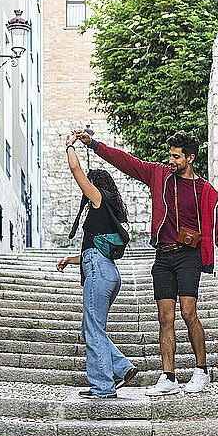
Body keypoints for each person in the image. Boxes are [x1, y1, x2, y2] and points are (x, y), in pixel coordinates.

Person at [75, 130, 218, 395]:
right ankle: (169, 377)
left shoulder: (205, 191)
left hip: (189, 256)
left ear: (190, 158)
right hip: (163, 256)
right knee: (165, 317)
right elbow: (126, 162)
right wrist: (93, 145)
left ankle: (201, 370)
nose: (170, 160)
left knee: (188, 312)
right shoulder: (159, 175)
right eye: (169, 155)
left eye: (176, 156)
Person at [56, 132, 138, 399]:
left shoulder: (98, 198)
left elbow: (75, 168)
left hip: (99, 272)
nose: (84, 189)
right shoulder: (108, 207)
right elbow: (96, 247)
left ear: (94, 185)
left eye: (87, 185)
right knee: (91, 328)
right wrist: (71, 260)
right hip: (107, 271)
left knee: (92, 328)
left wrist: (69, 145)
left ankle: (103, 386)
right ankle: (121, 369)